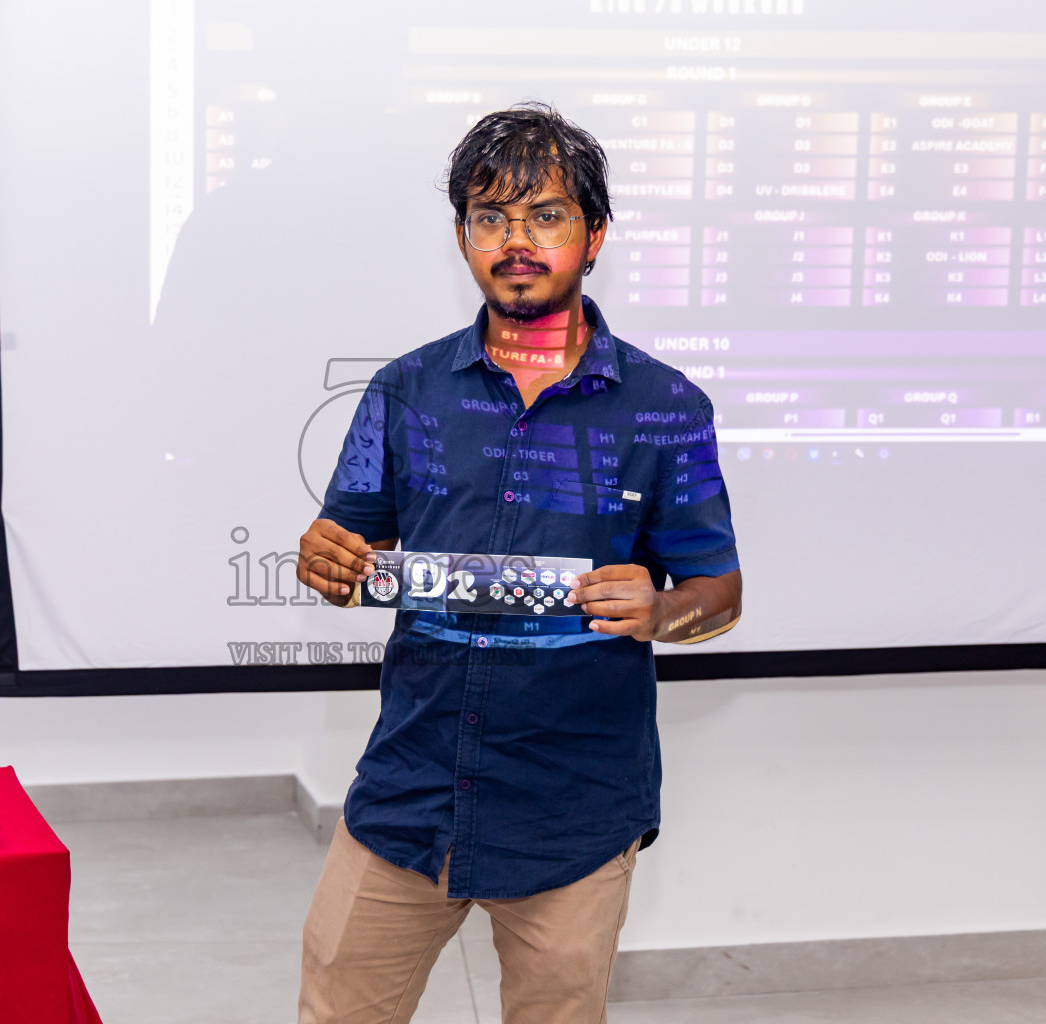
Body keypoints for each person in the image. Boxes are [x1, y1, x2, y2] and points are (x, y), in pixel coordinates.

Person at [294, 102, 743, 1024]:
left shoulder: (665, 407)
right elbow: (357, 549)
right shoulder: (404, 391)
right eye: (491, 217)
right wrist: (329, 559)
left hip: (571, 810)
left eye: (545, 216)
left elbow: (721, 593)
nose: (517, 241)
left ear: (595, 234)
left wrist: (664, 612)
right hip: (408, 793)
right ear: (462, 237)